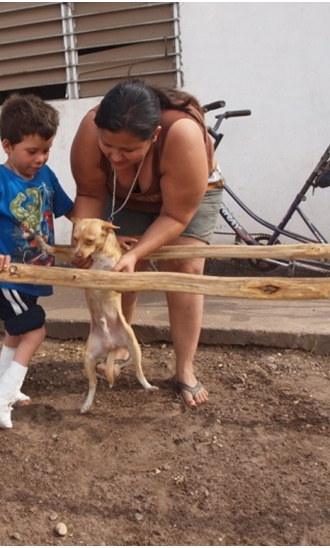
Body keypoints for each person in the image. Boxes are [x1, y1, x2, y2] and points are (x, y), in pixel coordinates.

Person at [70, 79, 222, 407]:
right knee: (114, 263)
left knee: (182, 269)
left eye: (128, 150)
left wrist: (139, 251)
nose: (115, 156)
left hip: (188, 197)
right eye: (108, 146)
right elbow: (89, 193)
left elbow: (177, 216)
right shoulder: (89, 129)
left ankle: (184, 368)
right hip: (123, 194)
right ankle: (118, 345)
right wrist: (81, 242)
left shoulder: (181, 135)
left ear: (153, 135)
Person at [0, 94, 74, 428]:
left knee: (15, 334)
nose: (40, 158)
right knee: (35, 331)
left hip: (32, 275)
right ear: (7, 145)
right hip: (5, 279)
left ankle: (8, 385)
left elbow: (72, 210)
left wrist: (102, 233)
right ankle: (1, 397)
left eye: (46, 150)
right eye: (32, 151)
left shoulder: (46, 175)